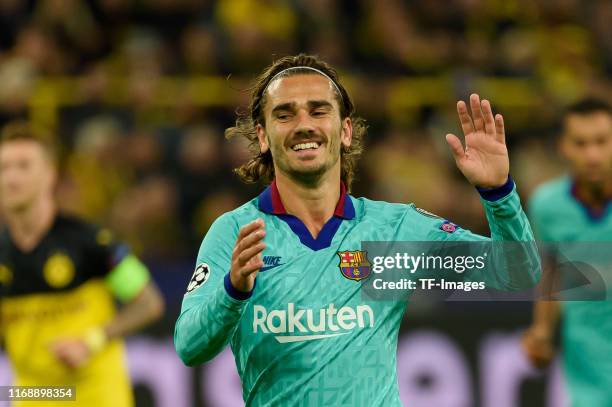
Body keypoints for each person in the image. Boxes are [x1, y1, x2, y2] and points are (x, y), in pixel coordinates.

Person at [174, 54, 540, 406]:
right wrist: (232, 292)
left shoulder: (393, 231)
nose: (304, 124)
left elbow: (518, 275)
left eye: (319, 110)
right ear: (264, 135)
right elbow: (189, 347)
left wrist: (498, 193)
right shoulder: (237, 232)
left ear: (345, 130)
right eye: (284, 114)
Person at [0, 121, 165, 406]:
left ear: (49, 175)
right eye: (4, 168)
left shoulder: (91, 242)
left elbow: (149, 303)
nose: (11, 178)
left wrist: (91, 341)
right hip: (33, 394)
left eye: (23, 166)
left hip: (95, 394)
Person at [522, 98, 612, 406]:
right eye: (581, 143)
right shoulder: (547, 207)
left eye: (602, 142)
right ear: (563, 146)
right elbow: (553, 271)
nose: (593, 155)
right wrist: (542, 333)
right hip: (588, 377)